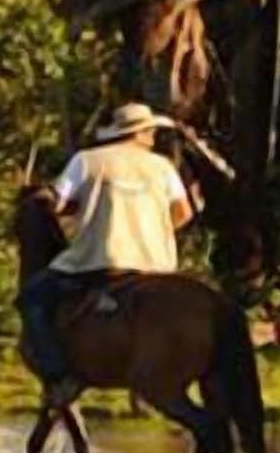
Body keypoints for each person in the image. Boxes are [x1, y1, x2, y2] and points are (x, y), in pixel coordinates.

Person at [17, 102, 194, 396]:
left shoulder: (86, 161)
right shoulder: (162, 167)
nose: (152, 135)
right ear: (139, 133)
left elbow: (57, 203)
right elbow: (184, 213)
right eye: (149, 129)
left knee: (31, 298)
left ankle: (59, 375)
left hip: (100, 261)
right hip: (158, 266)